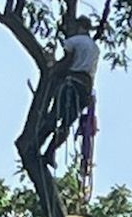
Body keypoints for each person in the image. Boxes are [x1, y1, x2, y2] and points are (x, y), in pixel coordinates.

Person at [40, 16, 99, 167]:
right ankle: (50, 152)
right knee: (66, 124)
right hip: (84, 89)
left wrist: (53, 69)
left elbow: (68, 61)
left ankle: (37, 144)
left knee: (54, 117)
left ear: (79, 26)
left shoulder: (75, 41)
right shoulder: (94, 48)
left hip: (70, 84)